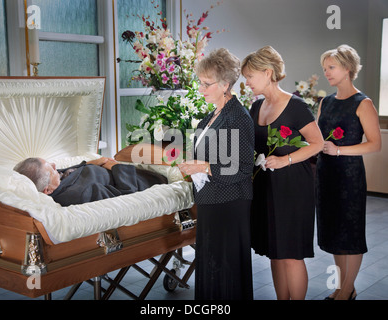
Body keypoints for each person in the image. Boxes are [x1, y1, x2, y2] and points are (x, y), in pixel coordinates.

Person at [241, 46, 323, 300]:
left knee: (290, 255)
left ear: (268, 73)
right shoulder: (256, 108)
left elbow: (317, 144)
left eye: (250, 77)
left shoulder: (296, 106)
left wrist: (285, 159)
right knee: (274, 253)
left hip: (293, 188)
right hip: (265, 189)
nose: (247, 82)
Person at [178, 48, 255, 300]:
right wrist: (192, 163)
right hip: (211, 200)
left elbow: (243, 168)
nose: (201, 89)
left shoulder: (238, 117)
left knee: (226, 270)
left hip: (230, 204)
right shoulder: (211, 116)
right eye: (200, 82)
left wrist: (202, 167)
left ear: (225, 84)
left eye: (206, 84)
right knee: (211, 267)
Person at [316, 44, 381, 300]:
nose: (326, 73)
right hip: (325, 174)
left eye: (331, 68)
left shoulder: (363, 103)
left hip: (349, 176)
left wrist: (339, 151)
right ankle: (344, 288)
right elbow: (318, 137)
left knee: (350, 232)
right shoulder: (326, 101)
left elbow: (375, 144)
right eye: (325, 69)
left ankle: (346, 291)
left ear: (348, 68)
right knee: (334, 232)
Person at [14, 157, 167, 206]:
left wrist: (93, 162)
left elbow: (70, 172)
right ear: (47, 191)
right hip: (141, 180)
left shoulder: (53, 183)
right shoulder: (80, 195)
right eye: (51, 169)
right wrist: (115, 167)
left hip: (105, 165)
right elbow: (128, 196)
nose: (55, 166)